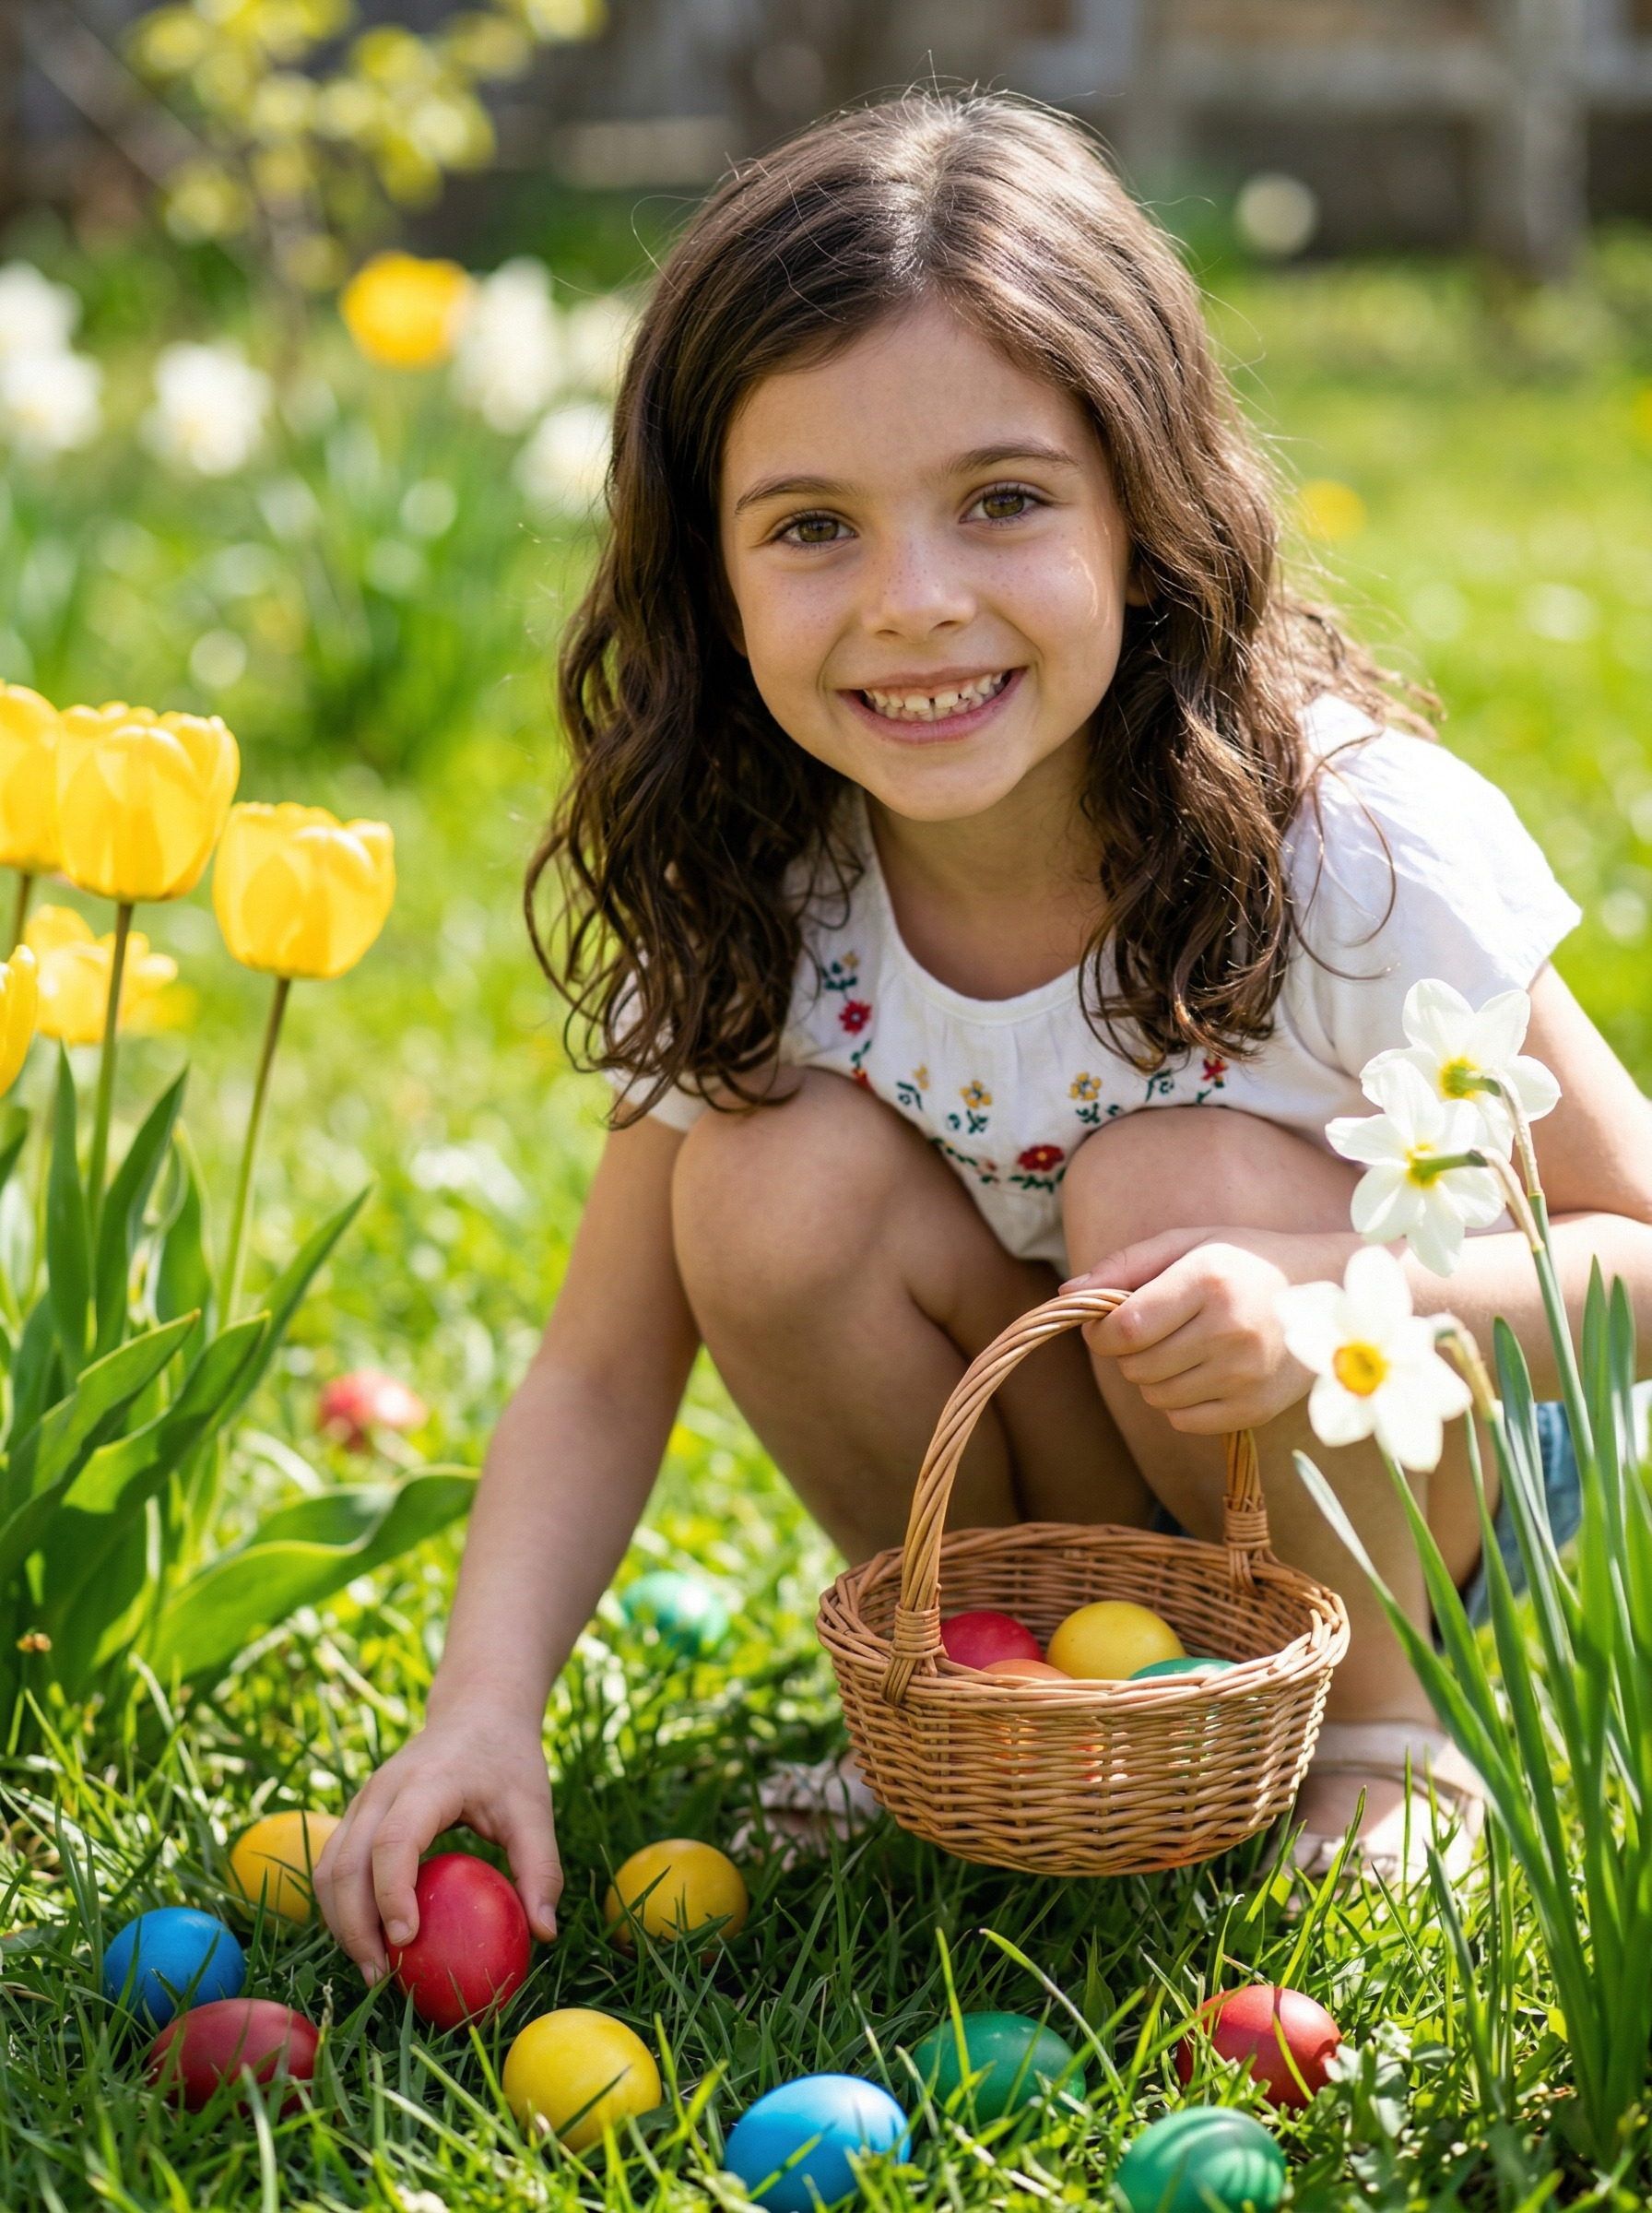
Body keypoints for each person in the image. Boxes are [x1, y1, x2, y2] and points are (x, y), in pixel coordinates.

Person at [315, 91, 1652, 1974]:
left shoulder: (1347, 851)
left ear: (1145, 509)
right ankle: (987, 1672)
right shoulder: (758, 874)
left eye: (1001, 500)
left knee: (1162, 1179)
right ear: (703, 570)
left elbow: (1636, 1259)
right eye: (808, 529)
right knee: (762, 1186)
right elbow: (604, 1368)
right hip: (1118, 1472)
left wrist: (1333, 1297)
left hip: (1432, 1514)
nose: (911, 603)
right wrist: (478, 1708)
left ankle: (1375, 1740)